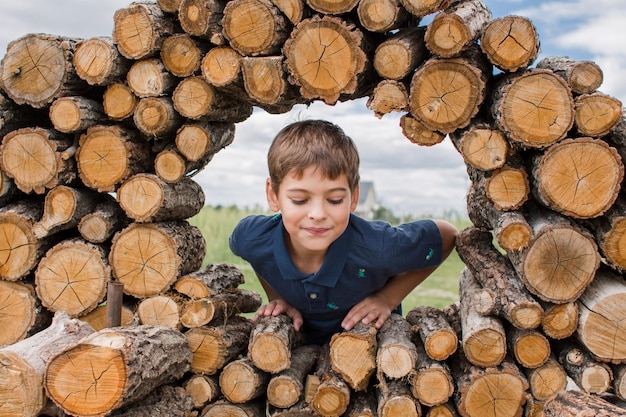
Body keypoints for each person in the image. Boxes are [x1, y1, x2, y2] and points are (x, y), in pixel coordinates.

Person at [229, 119, 458, 345]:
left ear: (353, 197)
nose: (317, 213)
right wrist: (277, 298)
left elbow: (446, 235)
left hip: (369, 359)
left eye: (335, 199)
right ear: (273, 195)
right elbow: (255, 253)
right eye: (299, 200)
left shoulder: (379, 247)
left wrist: (388, 298)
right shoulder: (252, 238)